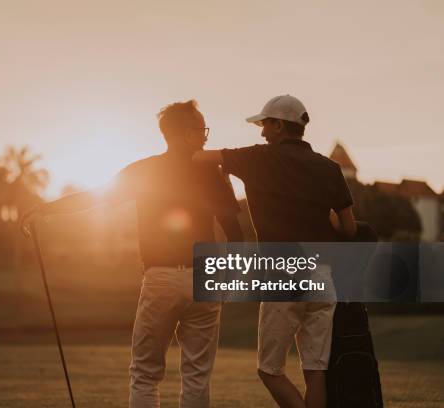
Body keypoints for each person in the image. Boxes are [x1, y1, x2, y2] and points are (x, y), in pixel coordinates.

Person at [21, 100, 244, 408]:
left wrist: (46, 209)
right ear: (184, 133)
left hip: (162, 276)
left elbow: (95, 196)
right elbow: (235, 233)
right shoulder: (211, 172)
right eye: (201, 130)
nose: (206, 137)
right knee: (197, 375)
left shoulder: (145, 170)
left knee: (145, 372)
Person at [193, 95, 357, 408]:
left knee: (269, 370)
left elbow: (200, 158)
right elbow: (348, 229)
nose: (262, 133)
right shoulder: (330, 168)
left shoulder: (258, 158)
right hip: (322, 277)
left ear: (280, 125)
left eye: (265, 125)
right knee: (316, 371)